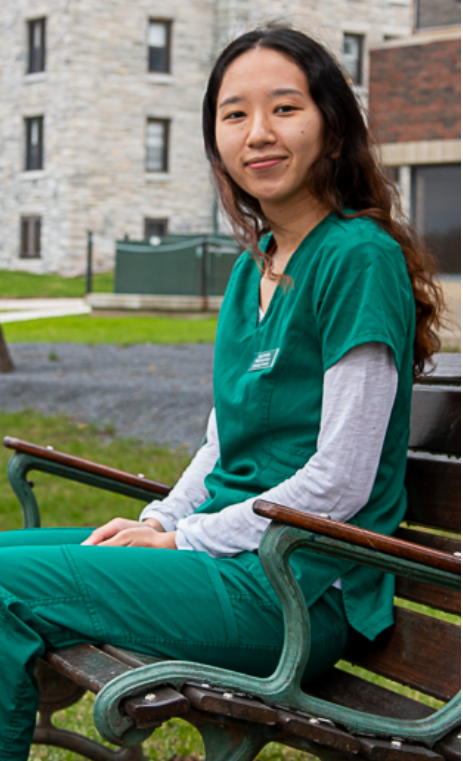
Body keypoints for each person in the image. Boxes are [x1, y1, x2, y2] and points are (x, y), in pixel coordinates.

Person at [0, 26, 442, 760]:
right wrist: (158, 518)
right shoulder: (254, 267)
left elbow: (340, 479)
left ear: (332, 130)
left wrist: (181, 539)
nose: (258, 133)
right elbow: (221, 442)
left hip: (294, 589)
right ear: (215, 142)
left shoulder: (358, 259)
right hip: (224, 562)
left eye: (284, 109)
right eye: (234, 114)